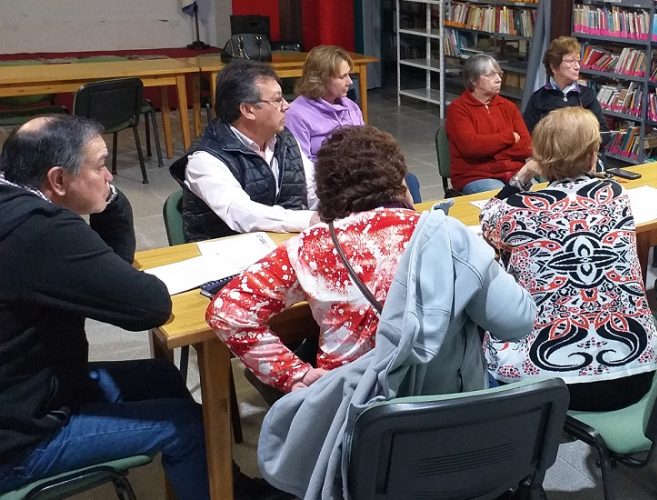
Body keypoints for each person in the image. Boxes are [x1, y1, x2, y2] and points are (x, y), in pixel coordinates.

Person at [207, 125, 536, 394]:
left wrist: (296, 375)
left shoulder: (312, 247)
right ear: (400, 181)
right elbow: (517, 322)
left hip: (357, 410)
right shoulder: (450, 234)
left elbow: (228, 312)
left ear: (326, 190)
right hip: (448, 409)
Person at [0, 116, 202, 496]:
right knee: (186, 425)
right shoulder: (42, 231)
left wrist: (103, 199)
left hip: (31, 387)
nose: (110, 176)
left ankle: (203, 480)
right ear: (58, 180)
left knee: (162, 377)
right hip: (16, 441)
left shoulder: (12, 199)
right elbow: (147, 306)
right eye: (101, 165)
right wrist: (107, 206)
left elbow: (110, 274)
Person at [479, 107, 657, 412]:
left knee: (483, 330)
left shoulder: (520, 209)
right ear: (592, 155)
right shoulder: (616, 195)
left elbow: (487, 219)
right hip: (636, 373)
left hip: (551, 384)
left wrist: (524, 175)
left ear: (541, 157)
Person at [170, 59, 318, 242]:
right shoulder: (205, 158)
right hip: (226, 255)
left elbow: (312, 190)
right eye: (278, 99)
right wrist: (308, 219)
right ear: (248, 110)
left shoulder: (284, 139)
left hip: (283, 246)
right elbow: (240, 213)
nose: (287, 106)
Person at [284, 45, 422, 202]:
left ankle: (414, 221)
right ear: (321, 79)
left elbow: (367, 145)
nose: (349, 82)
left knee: (408, 180)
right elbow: (302, 165)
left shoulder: (350, 106)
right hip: (329, 180)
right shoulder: (297, 114)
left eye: (349, 75)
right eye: (342, 77)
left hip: (359, 172)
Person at [446, 54, 534, 194]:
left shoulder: (508, 106)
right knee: (502, 202)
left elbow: (527, 147)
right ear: (473, 80)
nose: (498, 79)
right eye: (491, 75)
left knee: (538, 202)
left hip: (515, 173)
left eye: (499, 74)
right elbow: (471, 147)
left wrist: (490, 152)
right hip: (476, 176)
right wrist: (509, 138)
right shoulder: (458, 109)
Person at [521, 36, 609, 141]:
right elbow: (527, 135)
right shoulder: (539, 97)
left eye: (577, 61)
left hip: (581, 154)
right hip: (550, 155)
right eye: (571, 61)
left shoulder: (587, 94)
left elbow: (604, 133)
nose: (577, 67)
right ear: (554, 66)